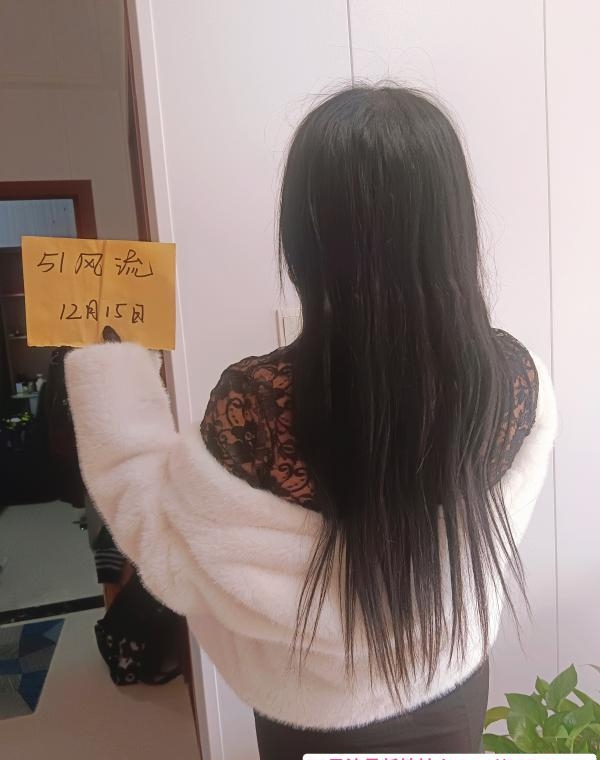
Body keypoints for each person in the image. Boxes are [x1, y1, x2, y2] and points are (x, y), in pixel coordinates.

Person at [65, 86, 557, 759]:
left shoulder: (256, 403)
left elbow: (169, 550)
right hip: (450, 682)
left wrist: (112, 374)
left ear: (304, 233)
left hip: (309, 712)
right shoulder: (513, 377)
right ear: (454, 224)